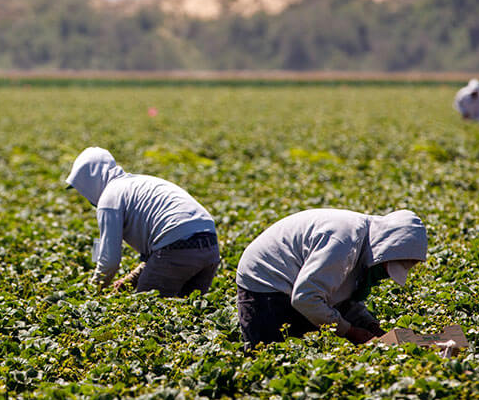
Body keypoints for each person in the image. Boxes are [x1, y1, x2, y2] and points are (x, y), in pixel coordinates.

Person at [235, 209, 427, 347]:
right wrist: (350, 331)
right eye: (387, 268)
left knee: (312, 344)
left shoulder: (363, 243)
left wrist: (369, 324)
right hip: (266, 284)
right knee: (273, 353)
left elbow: (339, 297)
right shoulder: (343, 242)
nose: (384, 275)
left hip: (293, 286)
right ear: (385, 250)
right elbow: (306, 298)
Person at [65, 147, 219, 297]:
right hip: (210, 248)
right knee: (187, 312)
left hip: (178, 250)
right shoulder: (139, 183)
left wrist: (94, 291)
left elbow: (109, 261)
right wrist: (131, 279)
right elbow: (164, 244)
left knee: (146, 304)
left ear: (89, 180)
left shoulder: (109, 198)